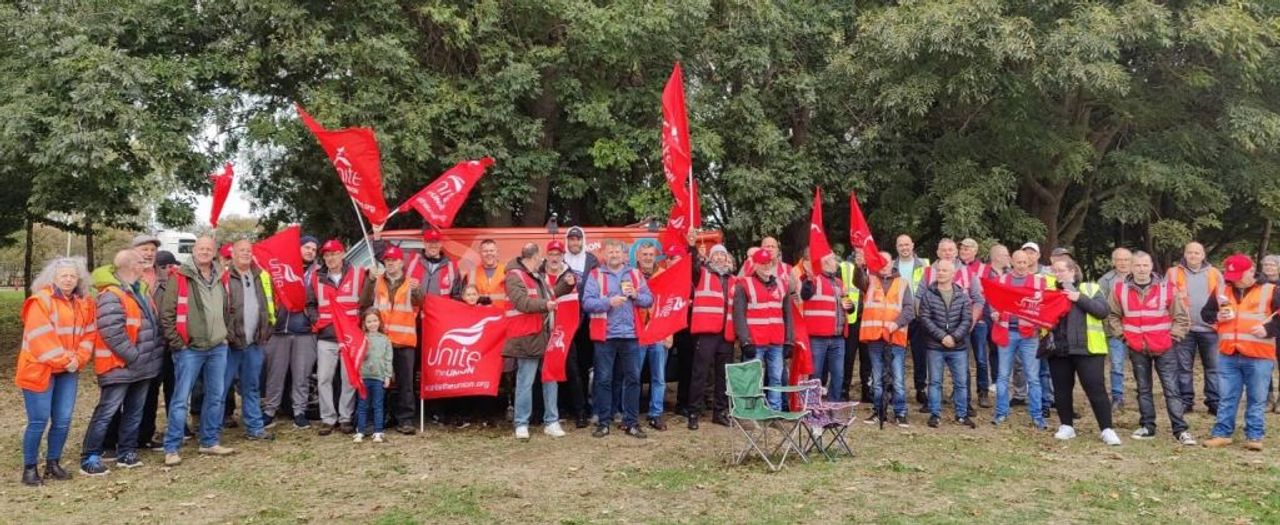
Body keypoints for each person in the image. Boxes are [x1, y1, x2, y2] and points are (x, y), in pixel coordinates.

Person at [80, 250, 163, 476]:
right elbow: (112, 333)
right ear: (130, 266)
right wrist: (134, 357)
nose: (145, 264)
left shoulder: (139, 289)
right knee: (107, 411)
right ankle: (90, 457)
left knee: (134, 412)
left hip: (142, 365)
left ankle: (127, 452)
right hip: (119, 366)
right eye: (140, 261)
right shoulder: (111, 294)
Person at [17, 257, 94, 486]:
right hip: (39, 368)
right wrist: (66, 360)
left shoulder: (84, 302)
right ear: (53, 278)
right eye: (64, 276)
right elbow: (40, 337)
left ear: (78, 279)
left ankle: (53, 463)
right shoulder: (40, 301)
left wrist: (78, 359)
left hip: (68, 369)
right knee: (38, 420)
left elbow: (90, 333)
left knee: (63, 420)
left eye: (72, 276)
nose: (68, 280)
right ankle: (30, 468)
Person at [1105, 251, 1196, 445]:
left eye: (1145, 265)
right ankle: (1148, 426)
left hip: (1165, 347)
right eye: (1137, 265)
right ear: (1131, 267)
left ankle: (1180, 430)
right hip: (1137, 346)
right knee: (1143, 389)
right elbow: (1112, 315)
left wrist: (1174, 337)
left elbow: (1181, 316)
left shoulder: (1166, 288)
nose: (1141, 269)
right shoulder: (1119, 289)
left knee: (1172, 389)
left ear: (1151, 267)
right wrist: (1123, 336)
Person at [159, 237, 234, 466]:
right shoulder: (179, 277)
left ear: (214, 252)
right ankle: (172, 447)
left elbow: (227, 309)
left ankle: (209, 441)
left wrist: (225, 335)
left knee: (215, 396)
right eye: (201, 248)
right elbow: (167, 314)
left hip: (217, 347)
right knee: (181, 399)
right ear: (194, 250)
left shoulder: (221, 276)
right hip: (189, 349)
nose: (204, 252)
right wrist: (178, 343)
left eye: (209, 249)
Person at [1201, 254, 1280, 451]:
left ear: (1251, 271)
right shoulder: (1222, 289)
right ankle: (1222, 434)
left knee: (1257, 398)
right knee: (1227, 397)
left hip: (1259, 354)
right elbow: (1206, 313)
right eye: (1231, 276)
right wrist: (1217, 316)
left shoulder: (1271, 290)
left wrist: (1268, 330)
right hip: (1228, 353)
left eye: (1238, 276)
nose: (1234, 280)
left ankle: (1254, 436)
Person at [1045, 258, 1121, 445]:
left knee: (1096, 389)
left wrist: (1078, 297)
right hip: (1059, 348)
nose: (1057, 274)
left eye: (1061, 270)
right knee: (1061, 390)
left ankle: (1107, 429)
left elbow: (1102, 311)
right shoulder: (1048, 290)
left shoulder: (1090, 288)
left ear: (1072, 271)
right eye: (1054, 271)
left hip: (1088, 349)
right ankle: (1066, 426)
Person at [583, 239, 654, 438]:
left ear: (624, 255)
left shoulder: (635, 274)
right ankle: (603, 423)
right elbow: (587, 303)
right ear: (604, 255)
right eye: (610, 252)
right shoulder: (596, 274)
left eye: (617, 252)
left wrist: (636, 295)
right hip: (605, 335)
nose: (614, 255)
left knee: (633, 380)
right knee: (603, 380)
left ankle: (631, 423)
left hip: (630, 335)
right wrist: (608, 302)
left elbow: (649, 299)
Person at [505, 243, 576, 440]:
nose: (543, 261)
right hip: (526, 336)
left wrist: (566, 286)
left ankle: (551, 421)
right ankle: (521, 423)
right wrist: (546, 304)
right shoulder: (514, 276)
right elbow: (522, 303)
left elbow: (550, 294)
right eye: (540, 257)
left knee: (550, 379)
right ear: (533, 257)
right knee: (525, 382)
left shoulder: (536, 276)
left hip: (544, 336)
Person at [359, 244, 424, 435]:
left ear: (401, 262)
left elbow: (421, 303)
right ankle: (383, 416)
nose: (390, 263)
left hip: (404, 341)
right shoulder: (376, 280)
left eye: (394, 260)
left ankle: (405, 420)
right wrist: (369, 280)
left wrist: (417, 290)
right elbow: (364, 302)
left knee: (405, 383)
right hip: (381, 341)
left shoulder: (411, 283)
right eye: (387, 260)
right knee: (380, 381)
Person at [920, 239, 985, 415]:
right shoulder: (929, 272)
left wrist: (969, 324)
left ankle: (965, 404)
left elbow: (978, 300)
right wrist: (930, 327)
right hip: (934, 331)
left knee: (962, 372)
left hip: (961, 330)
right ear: (937, 252)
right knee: (934, 372)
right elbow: (919, 298)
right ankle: (932, 405)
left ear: (956, 252)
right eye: (943, 250)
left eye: (950, 250)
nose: (947, 253)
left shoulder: (968, 273)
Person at [263, 234, 320, 430]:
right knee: (275, 374)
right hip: (279, 330)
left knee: (302, 375)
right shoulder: (280, 268)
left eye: (314, 250)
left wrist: (313, 318)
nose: (310, 251)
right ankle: (270, 411)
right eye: (307, 247)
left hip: (305, 331)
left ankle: (299, 413)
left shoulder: (318, 273)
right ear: (298, 248)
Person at [221, 240, 276, 441]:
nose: (245, 253)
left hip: (254, 342)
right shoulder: (224, 277)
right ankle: (211, 433)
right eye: (241, 250)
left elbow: (270, 304)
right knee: (220, 389)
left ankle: (255, 428)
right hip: (230, 343)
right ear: (233, 255)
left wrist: (267, 328)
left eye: (248, 250)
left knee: (251, 387)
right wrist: (227, 335)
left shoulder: (262, 276)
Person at [991, 250, 1051, 429]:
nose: (1022, 266)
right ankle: (1001, 413)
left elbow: (1044, 305)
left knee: (1033, 377)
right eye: (1019, 262)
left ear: (1029, 262)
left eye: (1025, 262)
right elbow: (993, 301)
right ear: (1012, 262)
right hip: (1006, 331)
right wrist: (994, 313)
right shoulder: (1001, 281)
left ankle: (1037, 416)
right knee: (1003, 375)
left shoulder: (1039, 282)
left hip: (1029, 334)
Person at [312, 239, 365, 436]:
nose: (330, 258)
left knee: (348, 379)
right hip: (326, 336)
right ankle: (328, 419)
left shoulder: (358, 274)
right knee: (323, 379)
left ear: (342, 254)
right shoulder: (316, 277)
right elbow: (310, 303)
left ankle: (345, 418)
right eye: (326, 255)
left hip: (350, 336)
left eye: (334, 254)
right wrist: (316, 320)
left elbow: (366, 301)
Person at [857, 252, 915, 427]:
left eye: (886, 261)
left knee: (897, 379)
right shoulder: (870, 280)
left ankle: (900, 412)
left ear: (892, 263)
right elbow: (858, 281)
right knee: (877, 379)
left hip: (895, 337)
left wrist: (895, 324)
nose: (883, 265)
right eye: (879, 261)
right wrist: (860, 267)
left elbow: (909, 310)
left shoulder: (903, 283)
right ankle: (878, 410)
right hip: (874, 337)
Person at [734, 248, 795, 411]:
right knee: (751, 378)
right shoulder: (744, 284)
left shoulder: (782, 285)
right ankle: (751, 411)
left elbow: (788, 315)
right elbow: (739, 315)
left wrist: (789, 340)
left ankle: (774, 410)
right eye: (762, 263)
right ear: (755, 265)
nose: (766, 266)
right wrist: (745, 341)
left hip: (776, 341)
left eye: (768, 262)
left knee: (776, 378)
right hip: (754, 341)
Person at [917, 259, 976, 429]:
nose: (941, 273)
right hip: (935, 346)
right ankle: (935, 414)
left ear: (953, 274)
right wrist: (942, 336)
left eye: (944, 270)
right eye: (939, 270)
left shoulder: (962, 296)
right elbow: (925, 318)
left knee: (961, 383)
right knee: (935, 382)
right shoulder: (928, 295)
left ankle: (962, 415)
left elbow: (967, 320)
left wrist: (954, 337)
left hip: (958, 347)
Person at [1166, 241, 1223, 415]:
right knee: (1183, 368)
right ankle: (1185, 401)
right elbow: (1165, 298)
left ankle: (1214, 402)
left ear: (1203, 255)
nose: (1193, 255)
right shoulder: (1173, 273)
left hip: (1211, 329)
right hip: (1184, 328)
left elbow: (1224, 298)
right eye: (1190, 252)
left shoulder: (1214, 273)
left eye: (1197, 253)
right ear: (1184, 254)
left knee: (1213, 368)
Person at [689, 244, 737, 429]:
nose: (719, 258)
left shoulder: (735, 280)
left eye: (722, 255)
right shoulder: (701, 273)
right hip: (707, 331)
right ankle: (694, 412)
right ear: (710, 258)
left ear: (727, 259)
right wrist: (693, 248)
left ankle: (720, 412)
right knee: (700, 373)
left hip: (727, 333)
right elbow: (691, 266)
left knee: (723, 376)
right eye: (715, 255)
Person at [542, 240, 589, 428]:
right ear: (546, 256)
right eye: (551, 254)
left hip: (565, 332)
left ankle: (580, 413)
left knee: (573, 372)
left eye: (558, 254)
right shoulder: (539, 275)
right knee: (546, 373)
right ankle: (549, 411)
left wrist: (572, 328)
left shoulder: (569, 276)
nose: (554, 258)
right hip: (544, 332)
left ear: (563, 256)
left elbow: (575, 305)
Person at [800, 253, 857, 401]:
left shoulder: (839, 283)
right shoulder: (813, 279)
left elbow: (847, 306)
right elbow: (805, 294)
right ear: (824, 263)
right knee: (815, 374)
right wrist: (809, 279)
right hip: (817, 337)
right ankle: (812, 406)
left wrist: (850, 306)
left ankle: (834, 405)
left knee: (838, 374)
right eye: (833, 260)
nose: (836, 263)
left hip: (838, 337)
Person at [634, 243, 671, 430]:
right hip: (638, 332)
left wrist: (669, 333)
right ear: (638, 257)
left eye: (651, 254)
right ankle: (630, 414)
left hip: (659, 332)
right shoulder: (631, 275)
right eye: (645, 254)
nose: (648, 257)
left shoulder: (665, 275)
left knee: (659, 378)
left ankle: (656, 414)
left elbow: (671, 306)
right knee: (633, 377)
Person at [894, 234, 931, 406]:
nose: (904, 248)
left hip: (917, 316)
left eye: (907, 244)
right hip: (898, 316)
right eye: (901, 245)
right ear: (897, 248)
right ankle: (894, 387)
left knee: (920, 354)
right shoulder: (892, 266)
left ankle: (920, 388)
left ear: (913, 245)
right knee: (896, 354)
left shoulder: (924, 265)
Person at [959, 238, 995, 408]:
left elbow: (991, 294)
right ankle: (962, 391)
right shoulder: (955, 267)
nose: (964, 251)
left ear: (975, 250)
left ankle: (983, 392)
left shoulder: (985, 269)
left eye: (967, 248)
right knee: (961, 359)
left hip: (980, 320)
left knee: (980, 358)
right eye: (962, 248)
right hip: (960, 320)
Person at [1098, 247, 1134, 412]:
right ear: (1113, 262)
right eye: (1119, 260)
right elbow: (1101, 305)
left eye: (1126, 259)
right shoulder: (1105, 281)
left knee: (1141, 364)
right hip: (1114, 330)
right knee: (1117, 364)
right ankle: (1117, 397)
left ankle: (1143, 393)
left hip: (1138, 329)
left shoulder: (1141, 277)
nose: (1123, 263)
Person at [353, 307, 393, 444]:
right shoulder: (361, 339)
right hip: (363, 378)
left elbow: (388, 359)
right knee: (363, 405)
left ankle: (378, 431)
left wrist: (387, 376)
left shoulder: (385, 340)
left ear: (380, 321)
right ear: (364, 323)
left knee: (378, 405)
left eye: (375, 320)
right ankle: (360, 431)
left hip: (379, 378)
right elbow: (356, 357)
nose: (372, 324)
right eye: (369, 321)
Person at [838, 252, 867, 403]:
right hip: (851, 320)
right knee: (848, 358)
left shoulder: (874, 268)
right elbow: (839, 289)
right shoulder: (844, 267)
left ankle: (867, 391)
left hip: (869, 320)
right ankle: (844, 389)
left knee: (867, 359)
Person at [469, 239, 507, 307]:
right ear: (480, 253)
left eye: (491, 251)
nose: (489, 253)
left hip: (502, 311)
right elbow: (467, 296)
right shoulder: (472, 273)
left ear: (497, 252)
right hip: (479, 312)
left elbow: (514, 296)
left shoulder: (507, 271)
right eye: (485, 251)